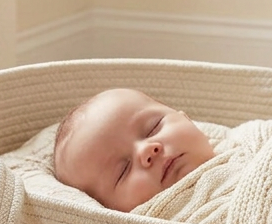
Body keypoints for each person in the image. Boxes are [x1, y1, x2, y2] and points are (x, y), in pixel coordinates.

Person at [53, 88, 216, 212]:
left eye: (153, 128)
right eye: (124, 170)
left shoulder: (238, 143)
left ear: (186, 118)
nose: (147, 150)